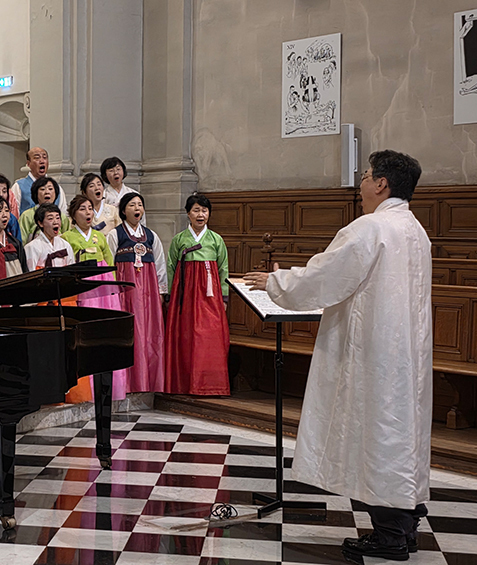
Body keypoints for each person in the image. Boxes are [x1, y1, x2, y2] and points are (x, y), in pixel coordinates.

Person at [243, 151, 431, 562]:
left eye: (365, 176)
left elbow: (325, 277)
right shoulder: (415, 230)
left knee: (377, 434)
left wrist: (275, 281)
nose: (360, 184)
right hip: (405, 355)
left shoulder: (372, 227)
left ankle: (389, 536)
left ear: (382, 184)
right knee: (401, 432)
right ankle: (404, 523)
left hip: (375, 353)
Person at [62, 194, 126, 403]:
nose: (88, 212)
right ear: (73, 214)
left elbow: (109, 261)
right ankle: (86, 387)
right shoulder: (67, 238)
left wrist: (114, 289)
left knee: (105, 334)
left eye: (90, 208)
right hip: (84, 286)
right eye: (82, 209)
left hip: (104, 287)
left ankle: (110, 385)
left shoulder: (100, 237)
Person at [165, 193, 230, 396]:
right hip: (185, 292)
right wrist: (169, 295)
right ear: (188, 214)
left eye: (204, 210)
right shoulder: (179, 240)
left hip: (209, 294)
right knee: (185, 336)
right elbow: (170, 267)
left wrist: (225, 297)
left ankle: (210, 384)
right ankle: (184, 383)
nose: (200, 214)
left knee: (209, 336)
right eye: (196, 210)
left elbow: (223, 269)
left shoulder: (216, 240)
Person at [106, 193, 167, 393]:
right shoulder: (116, 235)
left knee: (150, 333)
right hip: (126, 291)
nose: (137, 208)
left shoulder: (151, 236)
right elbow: (109, 264)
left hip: (148, 291)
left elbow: (159, 265)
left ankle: (149, 381)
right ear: (123, 210)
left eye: (140, 204)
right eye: (132, 205)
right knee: (131, 331)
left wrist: (161, 291)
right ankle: (129, 382)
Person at [9, 147, 67, 215]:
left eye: (44, 157)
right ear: (28, 164)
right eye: (37, 158)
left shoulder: (56, 187)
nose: (42, 161)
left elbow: (63, 212)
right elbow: (13, 213)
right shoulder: (19, 186)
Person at [24, 203, 75, 272]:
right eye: (50, 218)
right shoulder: (32, 247)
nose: (55, 222)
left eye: (57, 218)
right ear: (40, 223)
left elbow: (72, 270)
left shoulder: (65, 245)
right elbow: (30, 273)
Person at [19, 176, 70, 242]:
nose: (47, 192)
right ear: (36, 194)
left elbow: (68, 238)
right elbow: (21, 241)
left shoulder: (62, 216)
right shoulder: (27, 216)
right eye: (42, 189)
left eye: (50, 189)